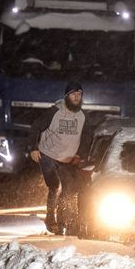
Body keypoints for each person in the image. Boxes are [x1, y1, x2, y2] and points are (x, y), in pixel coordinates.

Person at [28, 81, 92, 234]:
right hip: (48, 155)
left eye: (79, 95)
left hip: (69, 159)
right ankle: (51, 219)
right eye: (73, 95)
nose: (77, 98)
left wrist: (80, 154)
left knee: (69, 190)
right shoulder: (54, 112)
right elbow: (35, 127)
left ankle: (64, 222)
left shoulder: (83, 116)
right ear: (66, 97)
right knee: (55, 186)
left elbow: (88, 135)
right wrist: (33, 148)